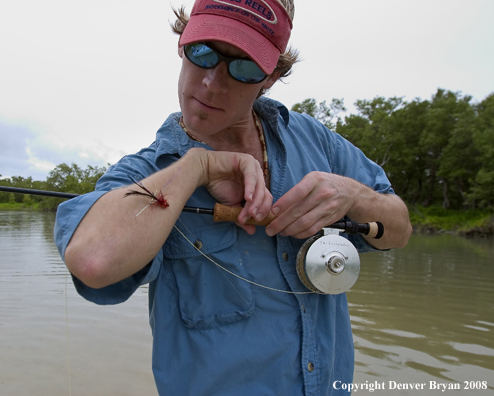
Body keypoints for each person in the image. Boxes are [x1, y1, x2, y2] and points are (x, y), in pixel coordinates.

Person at [54, 0, 412, 394]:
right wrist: (196, 168)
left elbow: (399, 229)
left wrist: (353, 194)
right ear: (182, 44)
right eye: (202, 52)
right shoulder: (146, 174)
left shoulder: (316, 141)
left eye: (242, 67)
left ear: (271, 76)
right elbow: (92, 260)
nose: (212, 82)